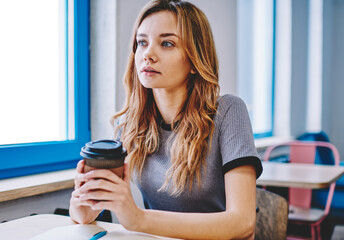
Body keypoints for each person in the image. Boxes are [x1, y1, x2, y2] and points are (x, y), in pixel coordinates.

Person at [69, 0, 263, 239]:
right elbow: (85, 214)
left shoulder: (229, 111)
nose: (148, 54)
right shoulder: (131, 124)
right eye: (142, 42)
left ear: (194, 60)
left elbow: (243, 223)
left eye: (167, 43)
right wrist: (84, 204)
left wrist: (138, 218)